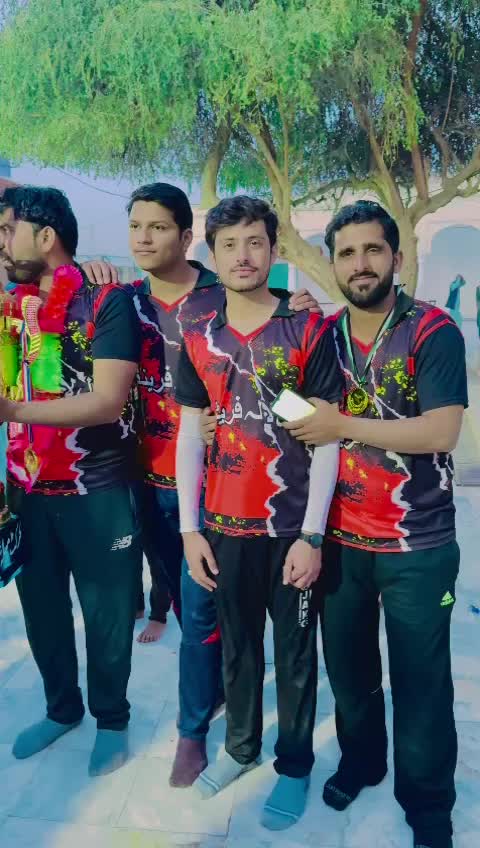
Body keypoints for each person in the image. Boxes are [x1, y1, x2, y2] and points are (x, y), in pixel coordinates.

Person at [88, 182, 321, 787]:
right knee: (202, 614)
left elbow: (297, 404)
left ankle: (195, 732)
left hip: (239, 495)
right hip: (153, 481)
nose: (144, 238)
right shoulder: (121, 300)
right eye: (135, 226)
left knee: (212, 618)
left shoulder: (233, 297)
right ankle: (225, 723)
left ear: (188, 238)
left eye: (159, 226)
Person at [283, 200, 467, 848]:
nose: (359, 264)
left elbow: (441, 431)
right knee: (351, 674)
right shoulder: (321, 334)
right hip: (340, 540)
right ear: (332, 263)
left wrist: (342, 424)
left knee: (421, 682)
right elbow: (291, 408)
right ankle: (363, 762)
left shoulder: (432, 329)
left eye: (372, 250)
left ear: (394, 256)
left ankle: (428, 805)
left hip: (419, 543)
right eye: (346, 253)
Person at [175, 195, 343, 830]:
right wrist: (190, 529)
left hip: (290, 530)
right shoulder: (199, 335)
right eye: (229, 245)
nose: (243, 256)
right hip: (224, 527)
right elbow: (191, 435)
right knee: (238, 649)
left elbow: (323, 437)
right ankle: (240, 748)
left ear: (273, 250)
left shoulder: (305, 329)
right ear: (213, 254)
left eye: (255, 242)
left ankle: (294, 765)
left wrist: (312, 535)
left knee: (295, 655)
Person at [0, 186, 142, 777]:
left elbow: (108, 401)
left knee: (107, 614)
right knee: (42, 613)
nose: (1, 244)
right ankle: (62, 709)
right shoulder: (10, 309)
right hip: (26, 490)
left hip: (97, 490)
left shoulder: (106, 301)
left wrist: (12, 411)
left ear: (45, 235)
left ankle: (112, 719)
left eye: (6, 231)